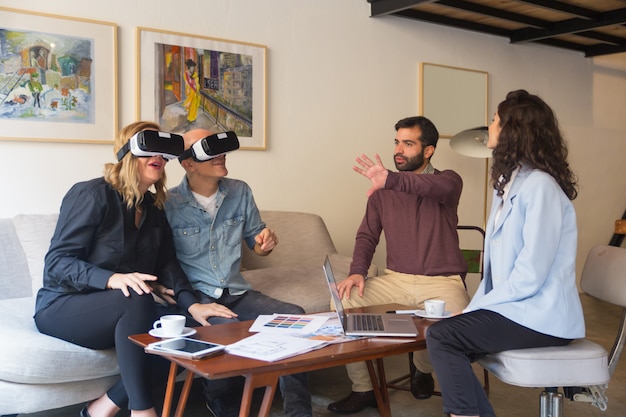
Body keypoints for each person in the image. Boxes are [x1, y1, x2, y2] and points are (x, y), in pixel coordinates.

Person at [34, 121, 227, 417]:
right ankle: (142, 411)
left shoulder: (153, 208)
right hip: (64, 306)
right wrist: (112, 278)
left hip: (124, 309)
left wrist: (193, 306)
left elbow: (167, 264)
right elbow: (58, 263)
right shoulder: (92, 194)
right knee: (137, 296)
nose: (159, 158)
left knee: (194, 330)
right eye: (149, 148)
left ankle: (104, 407)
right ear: (128, 152)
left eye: (164, 153)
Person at [426, 90, 585, 417]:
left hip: (543, 316)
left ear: (514, 130)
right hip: (519, 309)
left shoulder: (541, 187)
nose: (489, 125)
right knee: (445, 335)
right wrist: (472, 309)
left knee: (443, 337)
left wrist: (477, 310)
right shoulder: (510, 183)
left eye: (495, 119)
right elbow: (496, 275)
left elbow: (529, 277)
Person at [163, 127, 313, 417]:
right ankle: (221, 402)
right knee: (223, 326)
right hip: (197, 298)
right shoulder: (168, 204)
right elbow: (162, 261)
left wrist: (265, 243)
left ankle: (299, 412)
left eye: (220, 147)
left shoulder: (240, 191)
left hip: (238, 292)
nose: (220, 154)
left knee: (295, 317)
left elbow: (257, 243)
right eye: (209, 149)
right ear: (188, 163)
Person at [327, 116, 470, 414]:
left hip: (443, 282)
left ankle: (422, 369)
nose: (399, 150)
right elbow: (367, 235)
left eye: (408, 143)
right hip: (396, 280)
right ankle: (364, 389)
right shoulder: (383, 191)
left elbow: (432, 187)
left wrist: (390, 179)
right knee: (342, 298)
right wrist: (357, 272)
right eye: (396, 142)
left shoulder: (449, 181)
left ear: (428, 150)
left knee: (455, 324)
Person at [183, 58, 200, 128]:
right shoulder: (186, 74)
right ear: (189, 68)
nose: (192, 69)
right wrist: (189, 88)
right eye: (191, 68)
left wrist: (195, 82)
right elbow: (187, 83)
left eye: (193, 68)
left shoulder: (195, 74)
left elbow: (197, 82)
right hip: (190, 91)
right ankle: (190, 118)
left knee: (195, 105)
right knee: (190, 105)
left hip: (195, 92)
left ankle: (193, 117)